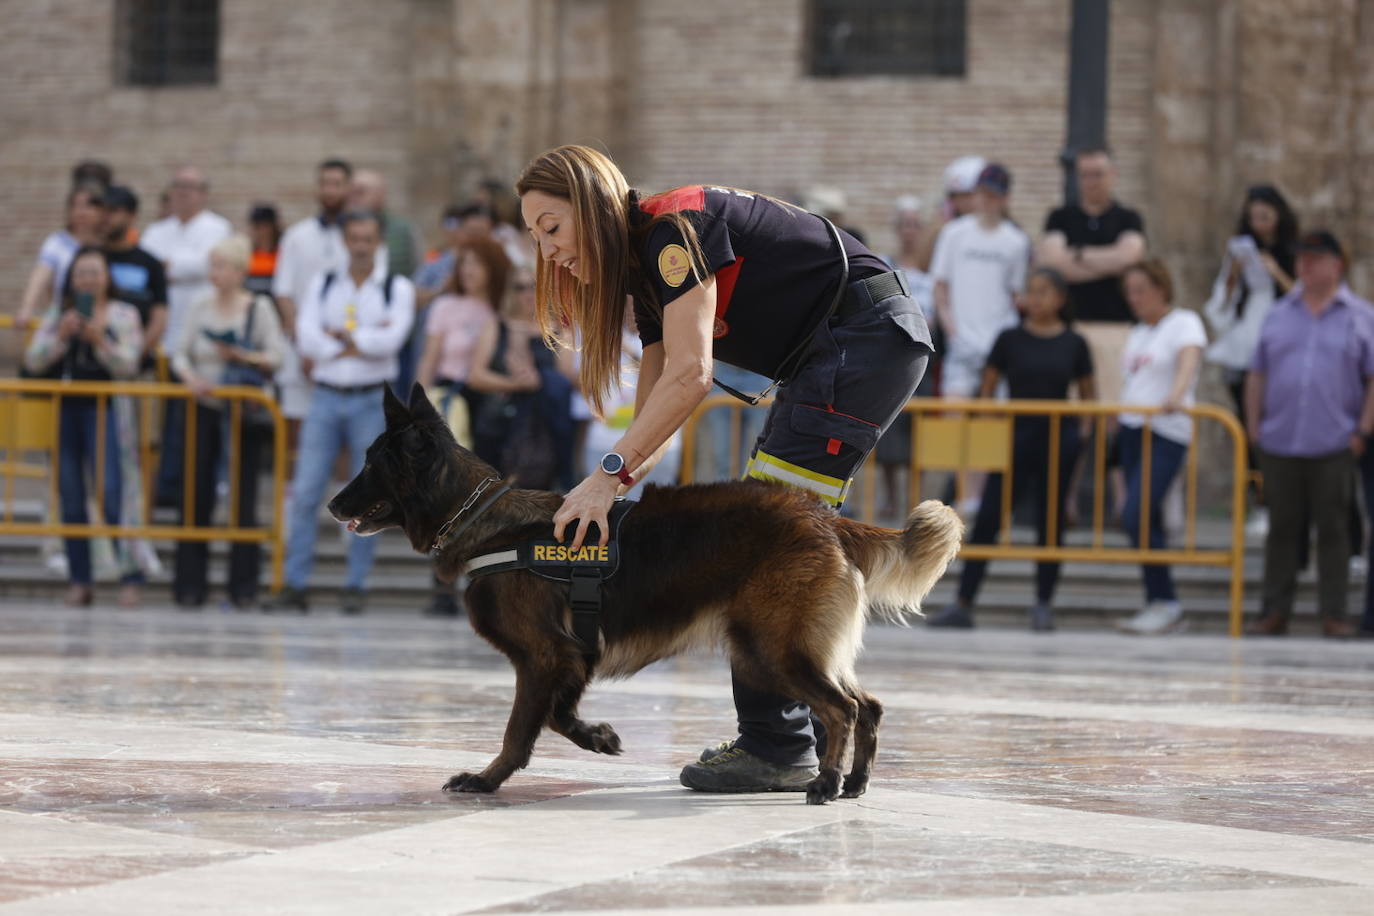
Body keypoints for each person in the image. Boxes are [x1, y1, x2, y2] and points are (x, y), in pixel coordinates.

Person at [516, 144, 931, 794]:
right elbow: (659, 405)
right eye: (535, 239)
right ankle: (814, 728)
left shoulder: (672, 233)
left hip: (861, 338)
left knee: (762, 540)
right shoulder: (647, 268)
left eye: (551, 229)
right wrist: (604, 487)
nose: (548, 253)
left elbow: (690, 375)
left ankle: (777, 747)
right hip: (843, 349)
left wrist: (606, 478)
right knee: (771, 535)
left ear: (592, 205)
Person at [927, 268, 1095, 631]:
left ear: (1061, 299)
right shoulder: (1009, 338)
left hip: (1057, 440)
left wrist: (1079, 438)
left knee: (1050, 524)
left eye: (1044, 292)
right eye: (1031, 292)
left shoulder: (1074, 342)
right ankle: (964, 602)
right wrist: (989, 430)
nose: (1035, 299)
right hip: (1014, 439)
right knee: (988, 516)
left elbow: (1088, 398)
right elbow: (987, 387)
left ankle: (1043, 604)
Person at [265, 211, 414, 615]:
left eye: (368, 238)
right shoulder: (324, 282)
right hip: (326, 396)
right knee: (307, 490)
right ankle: (295, 584)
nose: (361, 245)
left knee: (369, 494)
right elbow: (309, 337)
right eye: (355, 238)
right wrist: (359, 342)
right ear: (345, 242)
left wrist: (348, 338)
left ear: (377, 241)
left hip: (370, 397)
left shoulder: (394, 287)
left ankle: (355, 584)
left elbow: (393, 339)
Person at [1245, 231, 1374, 640]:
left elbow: (1372, 378)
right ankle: (1274, 609)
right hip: (1280, 439)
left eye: (1314, 260)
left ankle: (1334, 613)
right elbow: (1257, 371)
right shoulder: (1280, 313)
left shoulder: (1360, 316)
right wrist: (1253, 424)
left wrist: (1362, 430)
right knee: (1282, 528)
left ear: (1336, 265)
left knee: (1333, 529)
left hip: (1334, 440)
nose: (1304, 266)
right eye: (1301, 259)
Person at [169, 235, 286, 609]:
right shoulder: (198, 305)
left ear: (239, 271)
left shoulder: (259, 307)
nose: (214, 273)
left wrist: (243, 356)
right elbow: (179, 353)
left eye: (221, 266)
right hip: (203, 405)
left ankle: (243, 587)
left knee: (243, 496)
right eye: (212, 265)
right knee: (195, 492)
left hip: (241, 409)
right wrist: (191, 379)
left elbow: (277, 356)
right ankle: (190, 585)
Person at [23, 248, 145, 607]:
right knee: (71, 494)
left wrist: (99, 340)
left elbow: (129, 363)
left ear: (108, 276)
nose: (88, 280)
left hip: (107, 410)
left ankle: (130, 576)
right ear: (72, 280)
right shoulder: (60, 313)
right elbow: (33, 359)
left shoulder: (125, 314)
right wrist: (61, 336)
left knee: (112, 492)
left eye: (94, 272)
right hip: (67, 409)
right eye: (81, 274)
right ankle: (80, 578)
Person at [1113, 260, 1207, 636]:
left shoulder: (1184, 322)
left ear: (1161, 288)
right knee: (1140, 517)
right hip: (1133, 428)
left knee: (1137, 512)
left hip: (1165, 429)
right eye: (1130, 292)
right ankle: (1158, 601)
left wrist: (1176, 394)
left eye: (1141, 290)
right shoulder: (1138, 332)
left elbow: (1188, 360)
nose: (1134, 299)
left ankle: (1165, 601)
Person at [415, 237, 507, 617]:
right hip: (450, 405)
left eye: (476, 264)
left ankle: (483, 586)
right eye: (463, 264)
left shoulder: (500, 308)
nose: (468, 271)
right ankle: (442, 587)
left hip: (489, 408)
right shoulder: (445, 306)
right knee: (444, 501)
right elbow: (430, 358)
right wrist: (416, 409)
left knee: (485, 501)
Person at [1201, 185, 1298, 537]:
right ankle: (1259, 502)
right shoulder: (1239, 252)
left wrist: (1275, 272)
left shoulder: (1293, 252)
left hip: (1282, 348)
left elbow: (1306, 300)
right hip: (1245, 349)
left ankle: (1288, 503)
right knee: (1249, 430)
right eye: (1254, 218)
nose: (1259, 225)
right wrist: (1232, 279)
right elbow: (1220, 308)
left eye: (1266, 217)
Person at [141, 166, 232, 509]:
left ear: (203, 192)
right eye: (177, 186)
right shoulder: (156, 230)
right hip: (164, 341)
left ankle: (208, 488)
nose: (182, 193)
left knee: (204, 423)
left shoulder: (217, 228)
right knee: (167, 421)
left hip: (203, 347)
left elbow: (205, 266)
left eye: (190, 187)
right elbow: (150, 269)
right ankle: (168, 487)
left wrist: (170, 268)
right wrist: (175, 268)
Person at [1037, 147, 1147, 405]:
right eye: (1085, 175)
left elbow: (1129, 257)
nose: (1091, 182)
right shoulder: (1060, 217)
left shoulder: (1128, 219)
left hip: (1116, 328)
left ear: (1113, 175)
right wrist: (1109, 261)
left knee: (1113, 407)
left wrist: (1076, 255)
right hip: (1070, 327)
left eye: (1098, 174)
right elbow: (1054, 263)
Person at [465, 254, 574, 492]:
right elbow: (475, 375)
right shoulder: (496, 326)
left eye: (533, 286)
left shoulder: (558, 331)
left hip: (546, 428)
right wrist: (514, 384)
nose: (527, 293)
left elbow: (566, 378)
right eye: (520, 287)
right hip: (500, 425)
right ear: (510, 291)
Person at [273, 159, 370, 426]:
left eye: (336, 184)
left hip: (346, 354)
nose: (329, 190)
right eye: (324, 184)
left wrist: (336, 347)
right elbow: (283, 291)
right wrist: (305, 346)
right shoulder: (296, 235)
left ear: (349, 188)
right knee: (297, 431)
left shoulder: (363, 240)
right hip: (300, 351)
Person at [930, 163, 1029, 401]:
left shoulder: (1017, 241)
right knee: (953, 415)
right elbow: (940, 288)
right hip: (962, 343)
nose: (986, 200)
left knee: (994, 423)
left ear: (1005, 198)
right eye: (982, 193)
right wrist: (954, 332)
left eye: (993, 194)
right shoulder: (953, 233)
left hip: (999, 343)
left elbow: (1017, 295)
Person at [17, 183, 108, 324]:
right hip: (64, 315)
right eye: (76, 206)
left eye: (88, 206)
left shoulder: (107, 244)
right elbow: (41, 275)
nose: (81, 212)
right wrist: (26, 308)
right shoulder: (57, 242)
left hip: (102, 318)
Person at [102, 185, 169, 358]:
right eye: (103, 210)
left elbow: (160, 315)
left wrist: (134, 356)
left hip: (136, 358)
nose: (106, 217)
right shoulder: (89, 258)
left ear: (131, 215)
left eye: (114, 210)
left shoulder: (150, 263)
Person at [914, 155, 985, 273]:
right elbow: (923, 264)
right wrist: (941, 220)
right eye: (954, 196)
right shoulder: (948, 230)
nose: (958, 202)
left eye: (966, 195)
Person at [246, 204, 283, 298]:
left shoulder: (283, 254)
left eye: (264, 226)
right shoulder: (247, 255)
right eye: (256, 226)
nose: (261, 231)